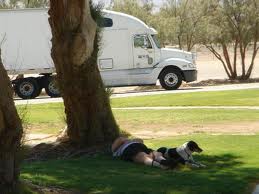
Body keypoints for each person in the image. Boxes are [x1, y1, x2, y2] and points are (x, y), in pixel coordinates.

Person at [111, 136, 177, 169]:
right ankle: (163, 162)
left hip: (137, 146)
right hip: (129, 148)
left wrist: (128, 140)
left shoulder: (126, 142)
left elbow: (139, 140)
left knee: (148, 154)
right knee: (145, 155)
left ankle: (163, 163)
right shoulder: (116, 149)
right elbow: (119, 141)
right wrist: (129, 140)